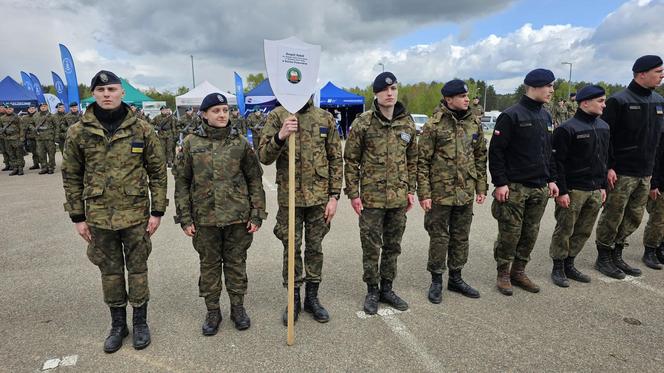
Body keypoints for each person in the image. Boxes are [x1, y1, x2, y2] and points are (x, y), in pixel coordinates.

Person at [61, 70, 168, 353]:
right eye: (100, 90)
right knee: (109, 272)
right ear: (93, 94)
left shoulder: (142, 129)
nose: (106, 94)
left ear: (122, 93)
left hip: (135, 215)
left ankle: (141, 322)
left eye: (111, 89)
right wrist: (78, 217)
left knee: (138, 269)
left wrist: (157, 210)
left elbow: (158, 172)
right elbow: (71, 175)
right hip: (98, 216)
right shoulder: (78, 132)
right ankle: (118, 325)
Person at [174, 93, 266, 335]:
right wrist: (185, 218)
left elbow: (255, 179)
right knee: (209, 266)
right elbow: (182, 182)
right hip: (205, 219)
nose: (222, 114)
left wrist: (257, 213)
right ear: (204, 114)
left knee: (237, 264)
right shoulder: (191, 144)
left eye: (225, 110)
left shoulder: (240, 143)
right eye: (216, 110)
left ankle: (238, 308)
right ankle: (213, 310)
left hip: (238, 217)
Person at [258, 97, 343, 325]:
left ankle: (312, 298)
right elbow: (264, 156)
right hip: (290, 198)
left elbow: (336, 158)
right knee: (292, 249)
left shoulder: (324, 117)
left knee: (315, 248)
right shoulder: (278, 116)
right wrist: (281, 135)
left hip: (319, 198)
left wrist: (334, 196)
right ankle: (293, 298)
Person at [344, 72, 417, 314]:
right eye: (385, 90)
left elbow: (412, 159)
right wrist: (353, 194)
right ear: (376, 94)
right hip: (371, 199)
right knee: (371, 246)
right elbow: (351, 160)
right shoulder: (363, 123)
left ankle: (387, 288)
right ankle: (372, 290)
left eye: (394, 88)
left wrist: (410, 190)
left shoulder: (407, 123)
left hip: (398, 197)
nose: (390, 93)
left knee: (393, 246)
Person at [488, 68, 559, 296]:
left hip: (539, 187)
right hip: (516, 187)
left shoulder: (546, 116)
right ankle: (503, 274)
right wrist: (500, 183)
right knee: (510, 233)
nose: (551, 90)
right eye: (548, 86)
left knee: (530, 233)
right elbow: (496, 152)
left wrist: (552, 179)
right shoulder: (511, 115)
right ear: (534, 86)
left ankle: (519, 271)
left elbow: (549, 152)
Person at [417, 79, 487, 303]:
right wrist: (425, 194)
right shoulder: (433, 125)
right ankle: (436, 280)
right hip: (440, 193)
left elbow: (480, 157)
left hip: (465, 192)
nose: (467, 99)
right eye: (462, 96)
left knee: (460, 236)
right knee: (439, 237)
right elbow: (422, 162)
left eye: (467, 96)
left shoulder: (474, 123)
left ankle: (456, 278)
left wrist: (481, 187)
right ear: (449, 99)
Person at [595, 55, 664, 278]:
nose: (662, 75)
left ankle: (617, 252)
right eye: (658, 71)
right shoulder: (619, 101)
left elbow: (658, 140)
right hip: (622, 171)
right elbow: (605, 137)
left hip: (646, 171)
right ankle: (603, 257)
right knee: (613, 214)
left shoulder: (657, 100)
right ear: (641, 73)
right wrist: (608, 166)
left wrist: (655, 173)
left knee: (633, 216)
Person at [548, 85, 610, 287]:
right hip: (574, 190)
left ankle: (570, 264)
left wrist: (602, 186)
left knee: (583, 230)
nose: (604, 105)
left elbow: (604, 159)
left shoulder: (604, 127)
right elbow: (558, 162)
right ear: (585, 103)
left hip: (594, 189)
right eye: (600, 101)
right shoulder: (567, 129)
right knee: (565, 229)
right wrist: (562, 191)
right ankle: (558, 267)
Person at [33, 102, 58, 174]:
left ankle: (51, 168)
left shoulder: (52, 116)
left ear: (47, 107)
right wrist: (33, 129)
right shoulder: (35, 116)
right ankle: (44, 167)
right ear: (39, 107)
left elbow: (57, 127)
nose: (43, 107)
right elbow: (31, 124)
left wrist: (56, 137)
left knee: (51, 154)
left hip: (49, 138)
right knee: (41, 154)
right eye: (41, 106)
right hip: (39, 138)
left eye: (44, 106)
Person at [1, 104, 24, 175]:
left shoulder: (17, 117)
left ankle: (20, 169)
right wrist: (4, 135)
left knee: (19, 154)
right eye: (7, 109)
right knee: (11, 154)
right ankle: (15, 168)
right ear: (5, 109)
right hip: (7, 139)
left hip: (16, 138)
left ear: (13, 109)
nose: (8, 110)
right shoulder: (2, 118)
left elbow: (22, 128)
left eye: (10, 109)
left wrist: (21, 138)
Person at [21, 104, 40, 170]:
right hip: (30, 137)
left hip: (39, 137)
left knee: (40, 152)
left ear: (35, 109)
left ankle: (44, 164)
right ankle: (36, 164)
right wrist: (23, 137)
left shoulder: (39, 116)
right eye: (30, 109)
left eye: (33, 108)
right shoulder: (24, 118)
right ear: (28, 110)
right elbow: (23, 128)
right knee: (34, 152)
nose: (31, 110)